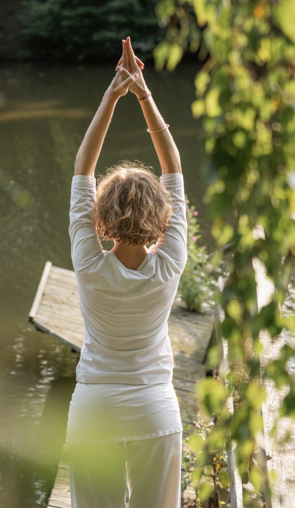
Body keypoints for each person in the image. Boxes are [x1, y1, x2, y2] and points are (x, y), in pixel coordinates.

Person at [66, 36, 187, 508]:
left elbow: (83, 168)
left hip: (94, 411)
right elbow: (172, 165)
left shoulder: (88, 264)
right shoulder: (169, 263)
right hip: (155, 410)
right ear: (163, 215)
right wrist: (143, 94)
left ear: (99, 217)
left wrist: (112, 94)